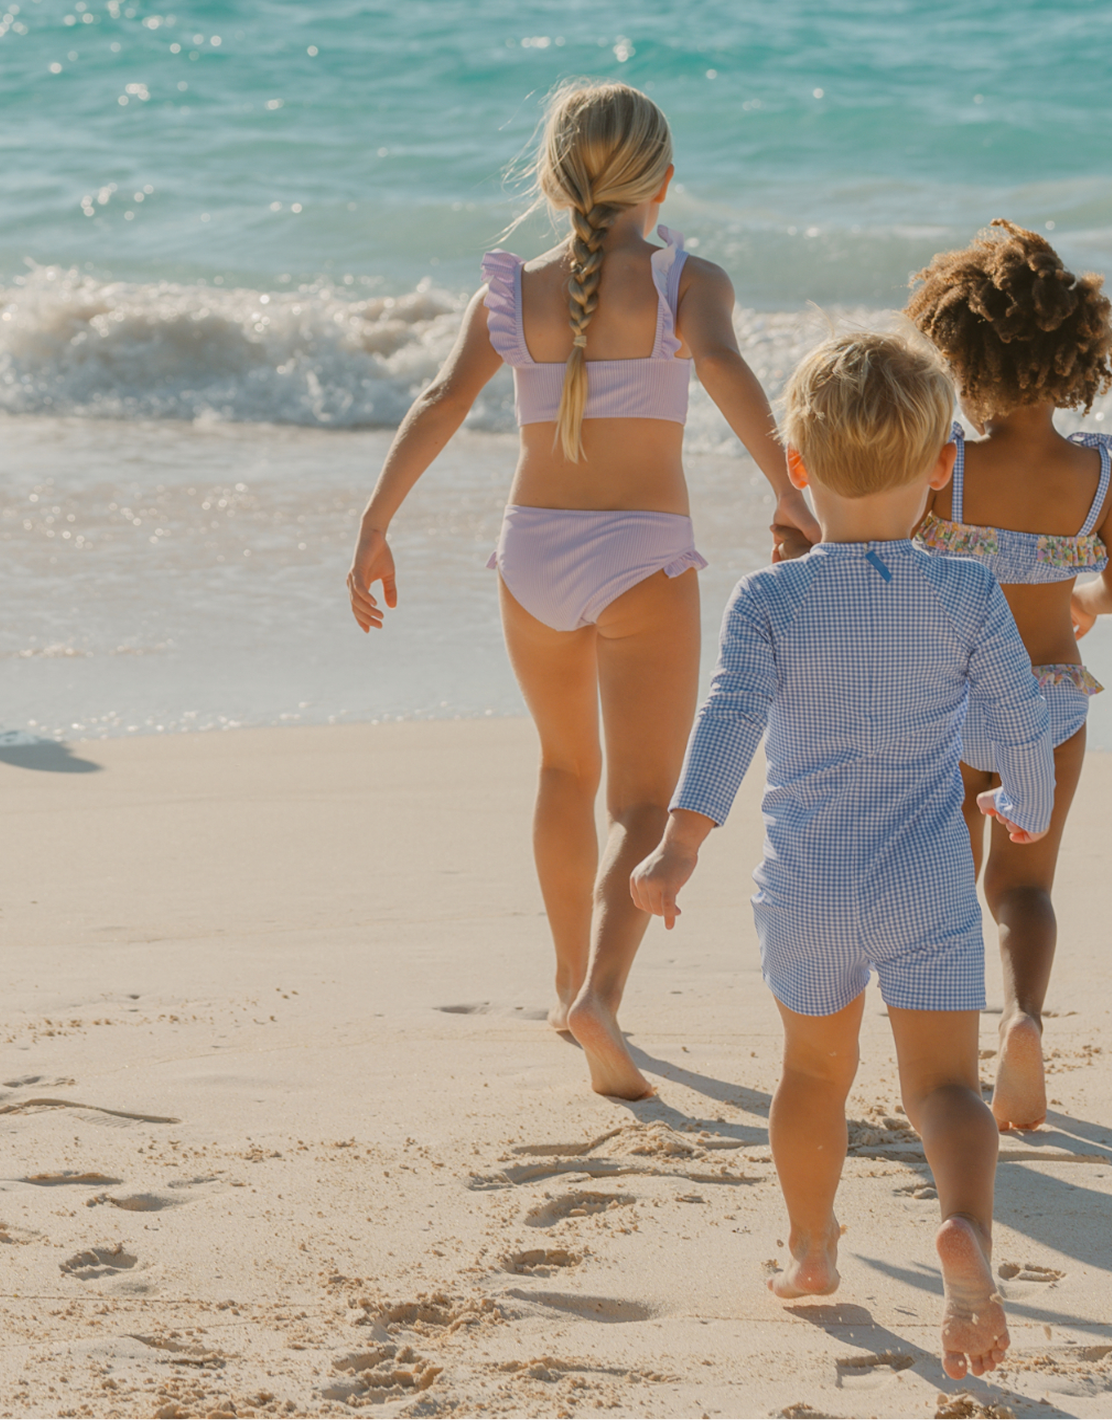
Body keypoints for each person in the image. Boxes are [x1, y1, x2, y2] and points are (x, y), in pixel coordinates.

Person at [346, 81, 818, 1102]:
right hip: (642, 555)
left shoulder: (510, 290)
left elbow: (437, 401)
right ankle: (600, 992)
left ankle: (564, 979)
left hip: (530, 557)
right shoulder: (692, 284)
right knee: (642, 801)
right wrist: (789, 492)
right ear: (665, 178)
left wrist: (375, 525)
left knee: (563, 771)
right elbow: (731, 376)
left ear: (556, 179)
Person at [631, 332, 1054, 1380]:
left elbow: (727, 721)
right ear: (940, 465)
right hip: (923, 874)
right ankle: (967, 1234)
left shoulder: (767, 600)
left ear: (800, 467)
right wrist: (1023, 798)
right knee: (945, 1089)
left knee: (813, 1073)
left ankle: (814, 1249)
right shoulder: (963, 592)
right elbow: (1018, 707)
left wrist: (678, 844)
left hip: (808, 883)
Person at [906, 219, 1112, 1131]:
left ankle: (948, 1059)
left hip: (952, 698)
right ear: (1075, 356)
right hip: (1048, 700)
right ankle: (1024, 1018)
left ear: (958, 355)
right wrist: (1079, 594)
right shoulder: (1096, 477)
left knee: (943, 878)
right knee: (1024, 889)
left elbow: (898, 557)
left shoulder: (951, 470)